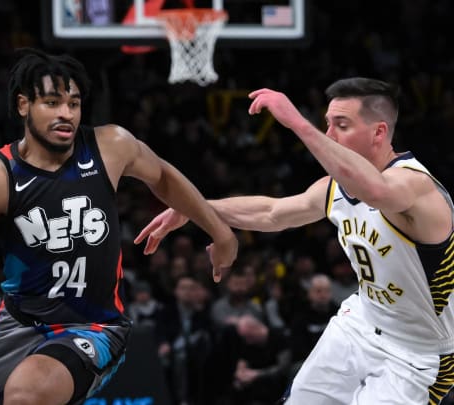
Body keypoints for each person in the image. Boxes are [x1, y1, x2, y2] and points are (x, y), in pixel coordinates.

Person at [0, 48, 238, 405]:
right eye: (51, 103)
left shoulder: (110, 146)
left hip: (93, 327)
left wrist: (219, 231)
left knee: (27, 394)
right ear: (23, 106)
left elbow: (164, 178)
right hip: (19, 325)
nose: (66, 114)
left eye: (74, 104)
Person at [136, 78, 454, 404]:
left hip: (419, 352)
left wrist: (297, 123)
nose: (328, 134)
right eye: (326, 124)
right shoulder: (333, 189)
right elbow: (273, 213)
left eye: (341, 125)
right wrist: (195, 210)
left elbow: (376, 191)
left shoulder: (415, 185)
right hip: (360, 324)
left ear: (378, 132)